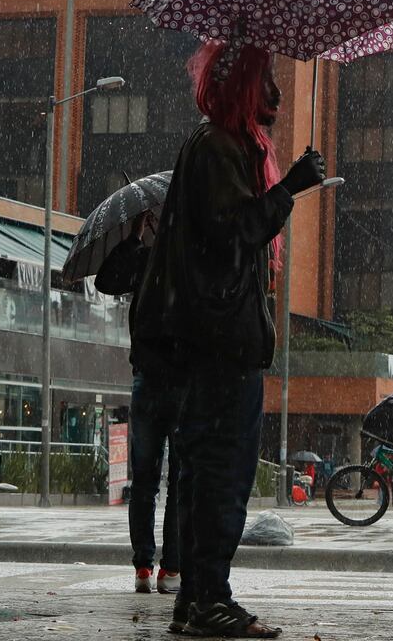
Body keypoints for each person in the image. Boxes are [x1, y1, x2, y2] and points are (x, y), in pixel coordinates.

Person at [132, 37, 324, 638]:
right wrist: (288, 187)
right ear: (244, 87)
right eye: (267, 81)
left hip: (213, 342)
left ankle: (197, 597)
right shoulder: (218, 148)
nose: (278, 93)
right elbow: (233, 233)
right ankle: (209, 597)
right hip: (219, 345)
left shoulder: (223, 147)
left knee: (205, 474)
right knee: (220, 475)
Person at [95, 211, 183, 595]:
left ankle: (144, 567)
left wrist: (132, 239)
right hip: (181, 385)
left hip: (148, 381)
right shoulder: (191, 263)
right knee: (179, 481)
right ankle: (170, 569)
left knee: (144, 481)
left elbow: (106, 280)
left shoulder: (145, 263)